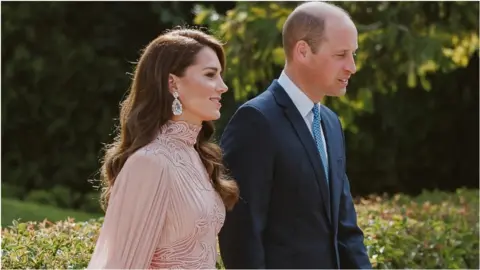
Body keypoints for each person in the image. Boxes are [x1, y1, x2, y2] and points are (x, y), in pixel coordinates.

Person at [218, 2, 371, 269]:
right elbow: (240, 236)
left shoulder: (331, 124)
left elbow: (345, 228)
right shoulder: (255, 121)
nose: (352, 67)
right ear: (303, 51)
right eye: (341, 55)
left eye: (353, 54)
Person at [87, 27, 239, 269]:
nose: (223, 86)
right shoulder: (149, 162)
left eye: (220, 75)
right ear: (172, 83)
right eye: (210, 75)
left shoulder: (196, 156)